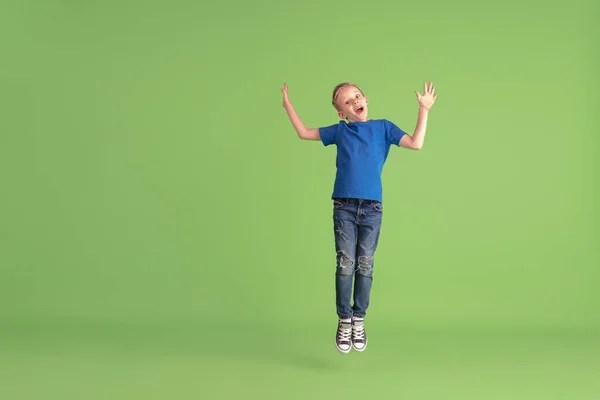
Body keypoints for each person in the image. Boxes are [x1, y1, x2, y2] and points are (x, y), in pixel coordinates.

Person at [280, 81, 437, 353]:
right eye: (347, 102)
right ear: (342, 114)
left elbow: (416, 143)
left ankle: (359, 318)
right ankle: (344, 318)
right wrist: (288, 105)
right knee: (346, 263)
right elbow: (304, 133)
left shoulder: (383, 128)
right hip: (344, 206)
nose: (354, 102)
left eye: (356, 96)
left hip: (372, 208)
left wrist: (424, 109)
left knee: (365, 263)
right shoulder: (340, 132)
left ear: (365, 98)